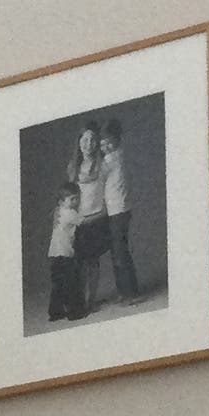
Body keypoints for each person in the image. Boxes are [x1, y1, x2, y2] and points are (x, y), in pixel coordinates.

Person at [98, 116, 144, 304]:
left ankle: (131, 294)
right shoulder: (120, 154)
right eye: (102, 145)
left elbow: (96, 174)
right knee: (119, 251)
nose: (105, 148)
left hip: (118, 211)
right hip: (119, 210)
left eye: (109, 143)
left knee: (120, 252)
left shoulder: (112, 158)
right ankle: (125, 291)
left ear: (118, 140)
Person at [70, 126, 113, 310]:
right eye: (85, 139)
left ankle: (91, 300)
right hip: (79, 220)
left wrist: (98, 214)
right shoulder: (72, 167)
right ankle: (80, 300)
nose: (89, 144)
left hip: (97, 218)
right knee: (78, 262)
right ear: (79, 143)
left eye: (93, 140)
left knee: (92, 261)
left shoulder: (103, 165)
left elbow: (107, 196)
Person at [45, 180, 85, 321]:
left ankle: (55, 313)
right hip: (65, 254)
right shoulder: (70, 213)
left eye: (77, 198)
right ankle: (75, 312)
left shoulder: (59, 211)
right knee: (71, 283)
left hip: (54, 254)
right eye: (72, 199)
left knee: (58, 285)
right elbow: (84, 222)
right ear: (62, 201)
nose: (75, 201)